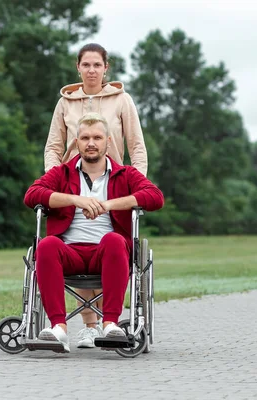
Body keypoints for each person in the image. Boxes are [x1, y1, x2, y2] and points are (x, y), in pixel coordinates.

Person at [24, 112, 163, 353]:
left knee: (114, 240)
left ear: (108, 141)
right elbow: (32, 195)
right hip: (69, 252)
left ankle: (110, 324)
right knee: (46, 245)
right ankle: (58, 328)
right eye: (85, 137)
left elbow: (155, 197)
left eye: (97, 137)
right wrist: (76, 199)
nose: (91, 143)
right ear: (76, 142)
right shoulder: (62, 174)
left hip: (108, 253)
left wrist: (109, 204)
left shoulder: (125, 174)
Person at [44, 43, 149, 348]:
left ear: (106, 69)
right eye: (86, 64)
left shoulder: (122, 101)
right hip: (72, 183)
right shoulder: (66, 103)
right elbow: (53, 146)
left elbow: (137, 146)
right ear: (78, 68)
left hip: (112, 182)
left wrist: (135, 184)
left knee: (106, 239)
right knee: (74, 237)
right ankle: (89, 325)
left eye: (97, 65)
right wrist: (54, 180)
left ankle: (105, 322)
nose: (91, 70)